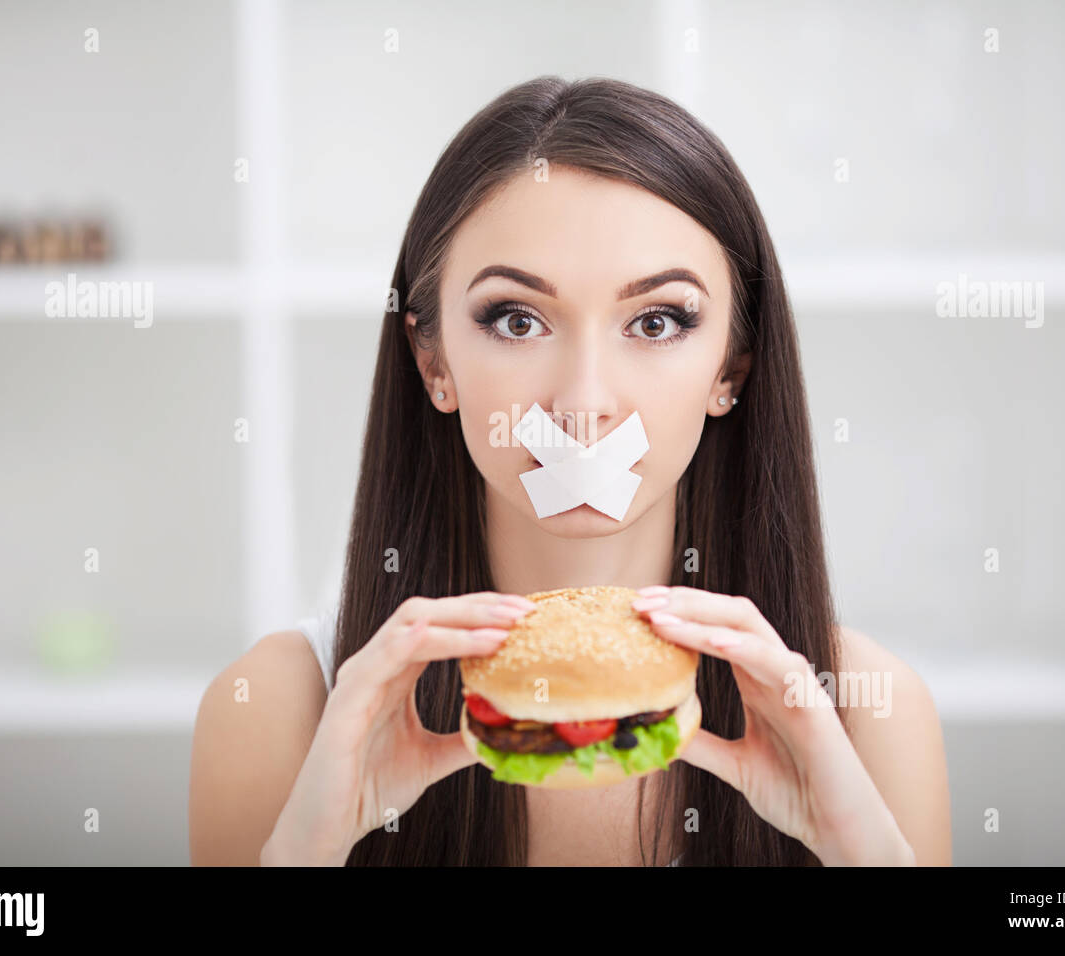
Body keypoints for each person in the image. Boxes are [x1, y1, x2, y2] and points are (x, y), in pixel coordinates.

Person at [189, 75, 951, 867]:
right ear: (432, 361)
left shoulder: (866, 712)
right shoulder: (278, 711)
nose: (584, 405)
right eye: (518, 321)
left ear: (732, 368)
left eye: (657, 322)